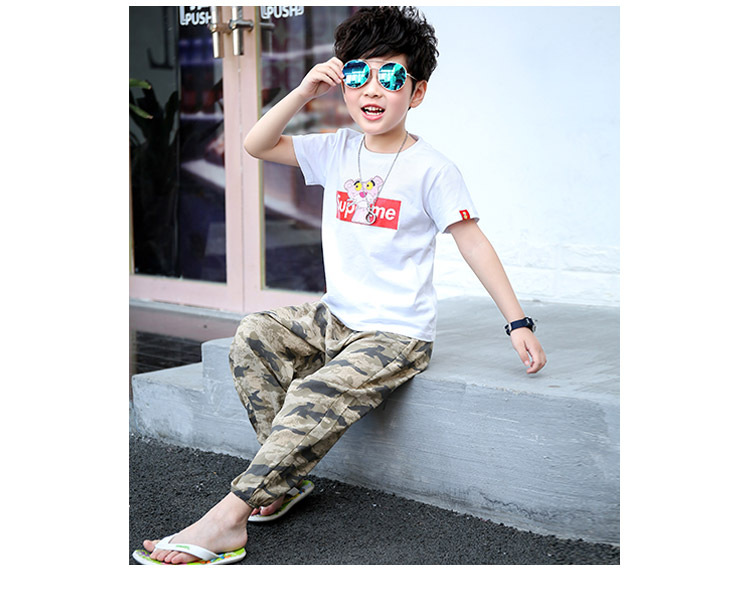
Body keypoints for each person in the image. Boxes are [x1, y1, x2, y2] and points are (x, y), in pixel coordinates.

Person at [134, 6, 546, 565]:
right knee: (254, 332)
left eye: (390, 76)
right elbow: (256, 144)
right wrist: (304, 91)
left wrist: (517, 322)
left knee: (311, 393)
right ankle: (282, 483)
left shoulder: (433, 169)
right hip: (337, 316)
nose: (372, 89)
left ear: (417, 92)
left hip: (395, 333)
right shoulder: (336, 149)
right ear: (343, 83)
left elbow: (473, 242)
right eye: (357, 74)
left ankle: (228, 519)